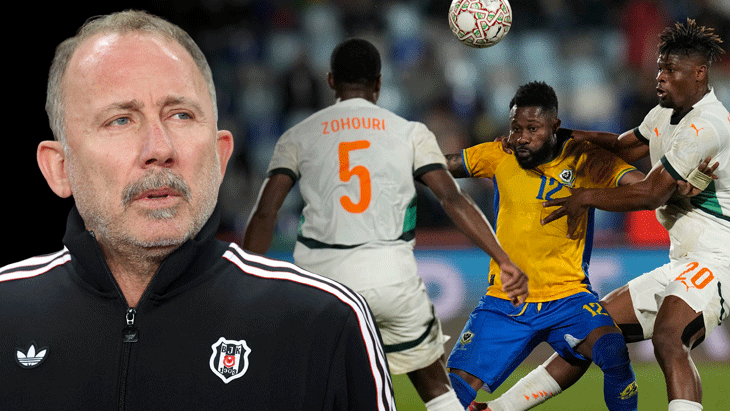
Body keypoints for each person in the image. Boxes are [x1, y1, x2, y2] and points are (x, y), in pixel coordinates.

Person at [0, 10, 395, 411]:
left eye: (181, 115)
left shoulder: (325, 323)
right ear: (59, 168)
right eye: (120, 120)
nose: (160, 149)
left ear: (220, 158)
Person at [242, 38, 529, 411]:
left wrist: (243, 282)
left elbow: (265, 213)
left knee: (306, 389)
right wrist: (503, 259)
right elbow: (453, 199)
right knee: (438, 391)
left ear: (330, 81)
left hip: (322, 284)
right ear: (378, 83)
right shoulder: (409, 133)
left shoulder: (300, 135)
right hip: (390, 277)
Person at [482, 19, 729, 411]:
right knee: (592, 333)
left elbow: (650, 194)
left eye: (670, 70)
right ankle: (498, 408)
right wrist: (556, 137)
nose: (660, 77)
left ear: (699, 74)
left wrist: (584, 197)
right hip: (683, 261)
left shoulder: (706, 125)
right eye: (659, 68)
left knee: (669, 337)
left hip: (719, 260)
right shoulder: (664, 115)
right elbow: (620, 146)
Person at [443, 81, 644, 411]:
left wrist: (589, 195)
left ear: (554, 127)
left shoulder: (583, 160)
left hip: (568, 296)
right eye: (516, 128)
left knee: (613, 351)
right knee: (453, 394)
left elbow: (643, 189)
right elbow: (440, 167)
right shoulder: (499, 155)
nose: (521, 137)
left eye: (532, 129)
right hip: (507, 299)